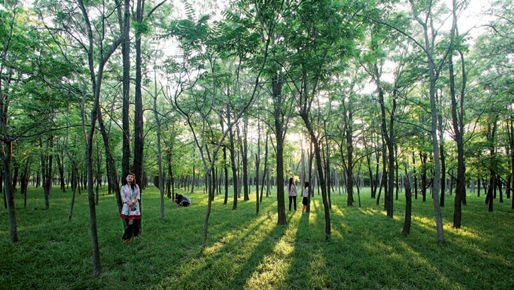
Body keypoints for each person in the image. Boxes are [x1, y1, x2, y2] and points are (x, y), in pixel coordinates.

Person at [120, 173, 141, 242]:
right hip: (127, 206)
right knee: (129, 222)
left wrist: (134, 202)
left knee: (132, 221)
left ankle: (126, 237)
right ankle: (130, 236)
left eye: (131, 177)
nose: (130, 178)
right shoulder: (123, 187)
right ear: (126, 178)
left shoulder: (136, 186)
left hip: (135, 206)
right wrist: (128, 203)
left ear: (133, 179)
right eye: (128, 176)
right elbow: (123, 197)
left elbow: (138, 196)